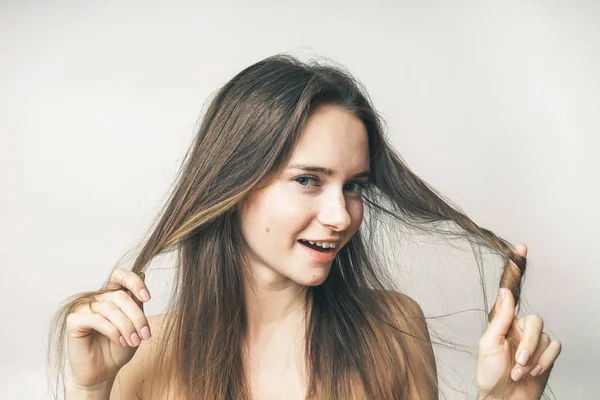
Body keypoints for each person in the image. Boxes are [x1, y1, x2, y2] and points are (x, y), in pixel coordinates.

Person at [48, 54, 562, 400]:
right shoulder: (142, 350)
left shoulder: (394, 330)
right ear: (233, 183)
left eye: (355, 185)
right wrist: (90, 390)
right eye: (309, 180)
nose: (341, 217)